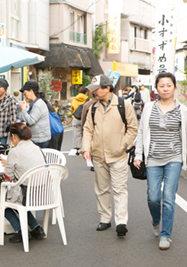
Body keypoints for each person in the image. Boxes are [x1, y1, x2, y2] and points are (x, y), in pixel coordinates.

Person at [133, 72, 187, 250]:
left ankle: (166, 235)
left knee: (169, 198)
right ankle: (156, 220)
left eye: (169, 85)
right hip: (153, 158)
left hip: (174, 158)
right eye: (162, 85)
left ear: (174, 88)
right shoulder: (148, 108)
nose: (165, 88)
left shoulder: (182, 110)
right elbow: (141, 132)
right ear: (157, 88)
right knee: (153, 197)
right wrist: (138, 154)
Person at [81, 74, 138, 237]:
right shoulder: (93, 107)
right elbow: (88, 129)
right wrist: (86, 148)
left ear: (107, 88)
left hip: (118, 155)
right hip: (98, 155)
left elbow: (133, 128)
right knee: (101, 189)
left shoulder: (123, 104)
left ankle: (121, 222)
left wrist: (123, 145)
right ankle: (105, 219)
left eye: (96, 89)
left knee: (120, 189)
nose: (93, 93)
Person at [0, 122, 46, 243]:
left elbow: (8, 176)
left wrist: (7, 163)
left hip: (28, 195)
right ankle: (36, 228)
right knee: (18, 196)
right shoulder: (37, 147)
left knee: (1, 200)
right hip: (44, 194)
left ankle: (20, 230)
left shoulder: (15, 151)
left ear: (13, 136)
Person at [18, 81, 51, 148]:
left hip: (40, 140)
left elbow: (31, 121)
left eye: (25, 94)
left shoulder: (38, 104)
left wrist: (23, 109)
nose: (24, 97)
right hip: (38, 138)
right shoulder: (34, 103)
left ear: (31, 92)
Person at [71, 86, 89, 153]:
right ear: (86, 92)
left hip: (76, 119)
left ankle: (77, 148)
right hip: (84, 119)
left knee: (76, 134)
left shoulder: (74, 99)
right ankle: (85, 147)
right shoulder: (88, 99)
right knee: (85, 133)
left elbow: (72, 109)